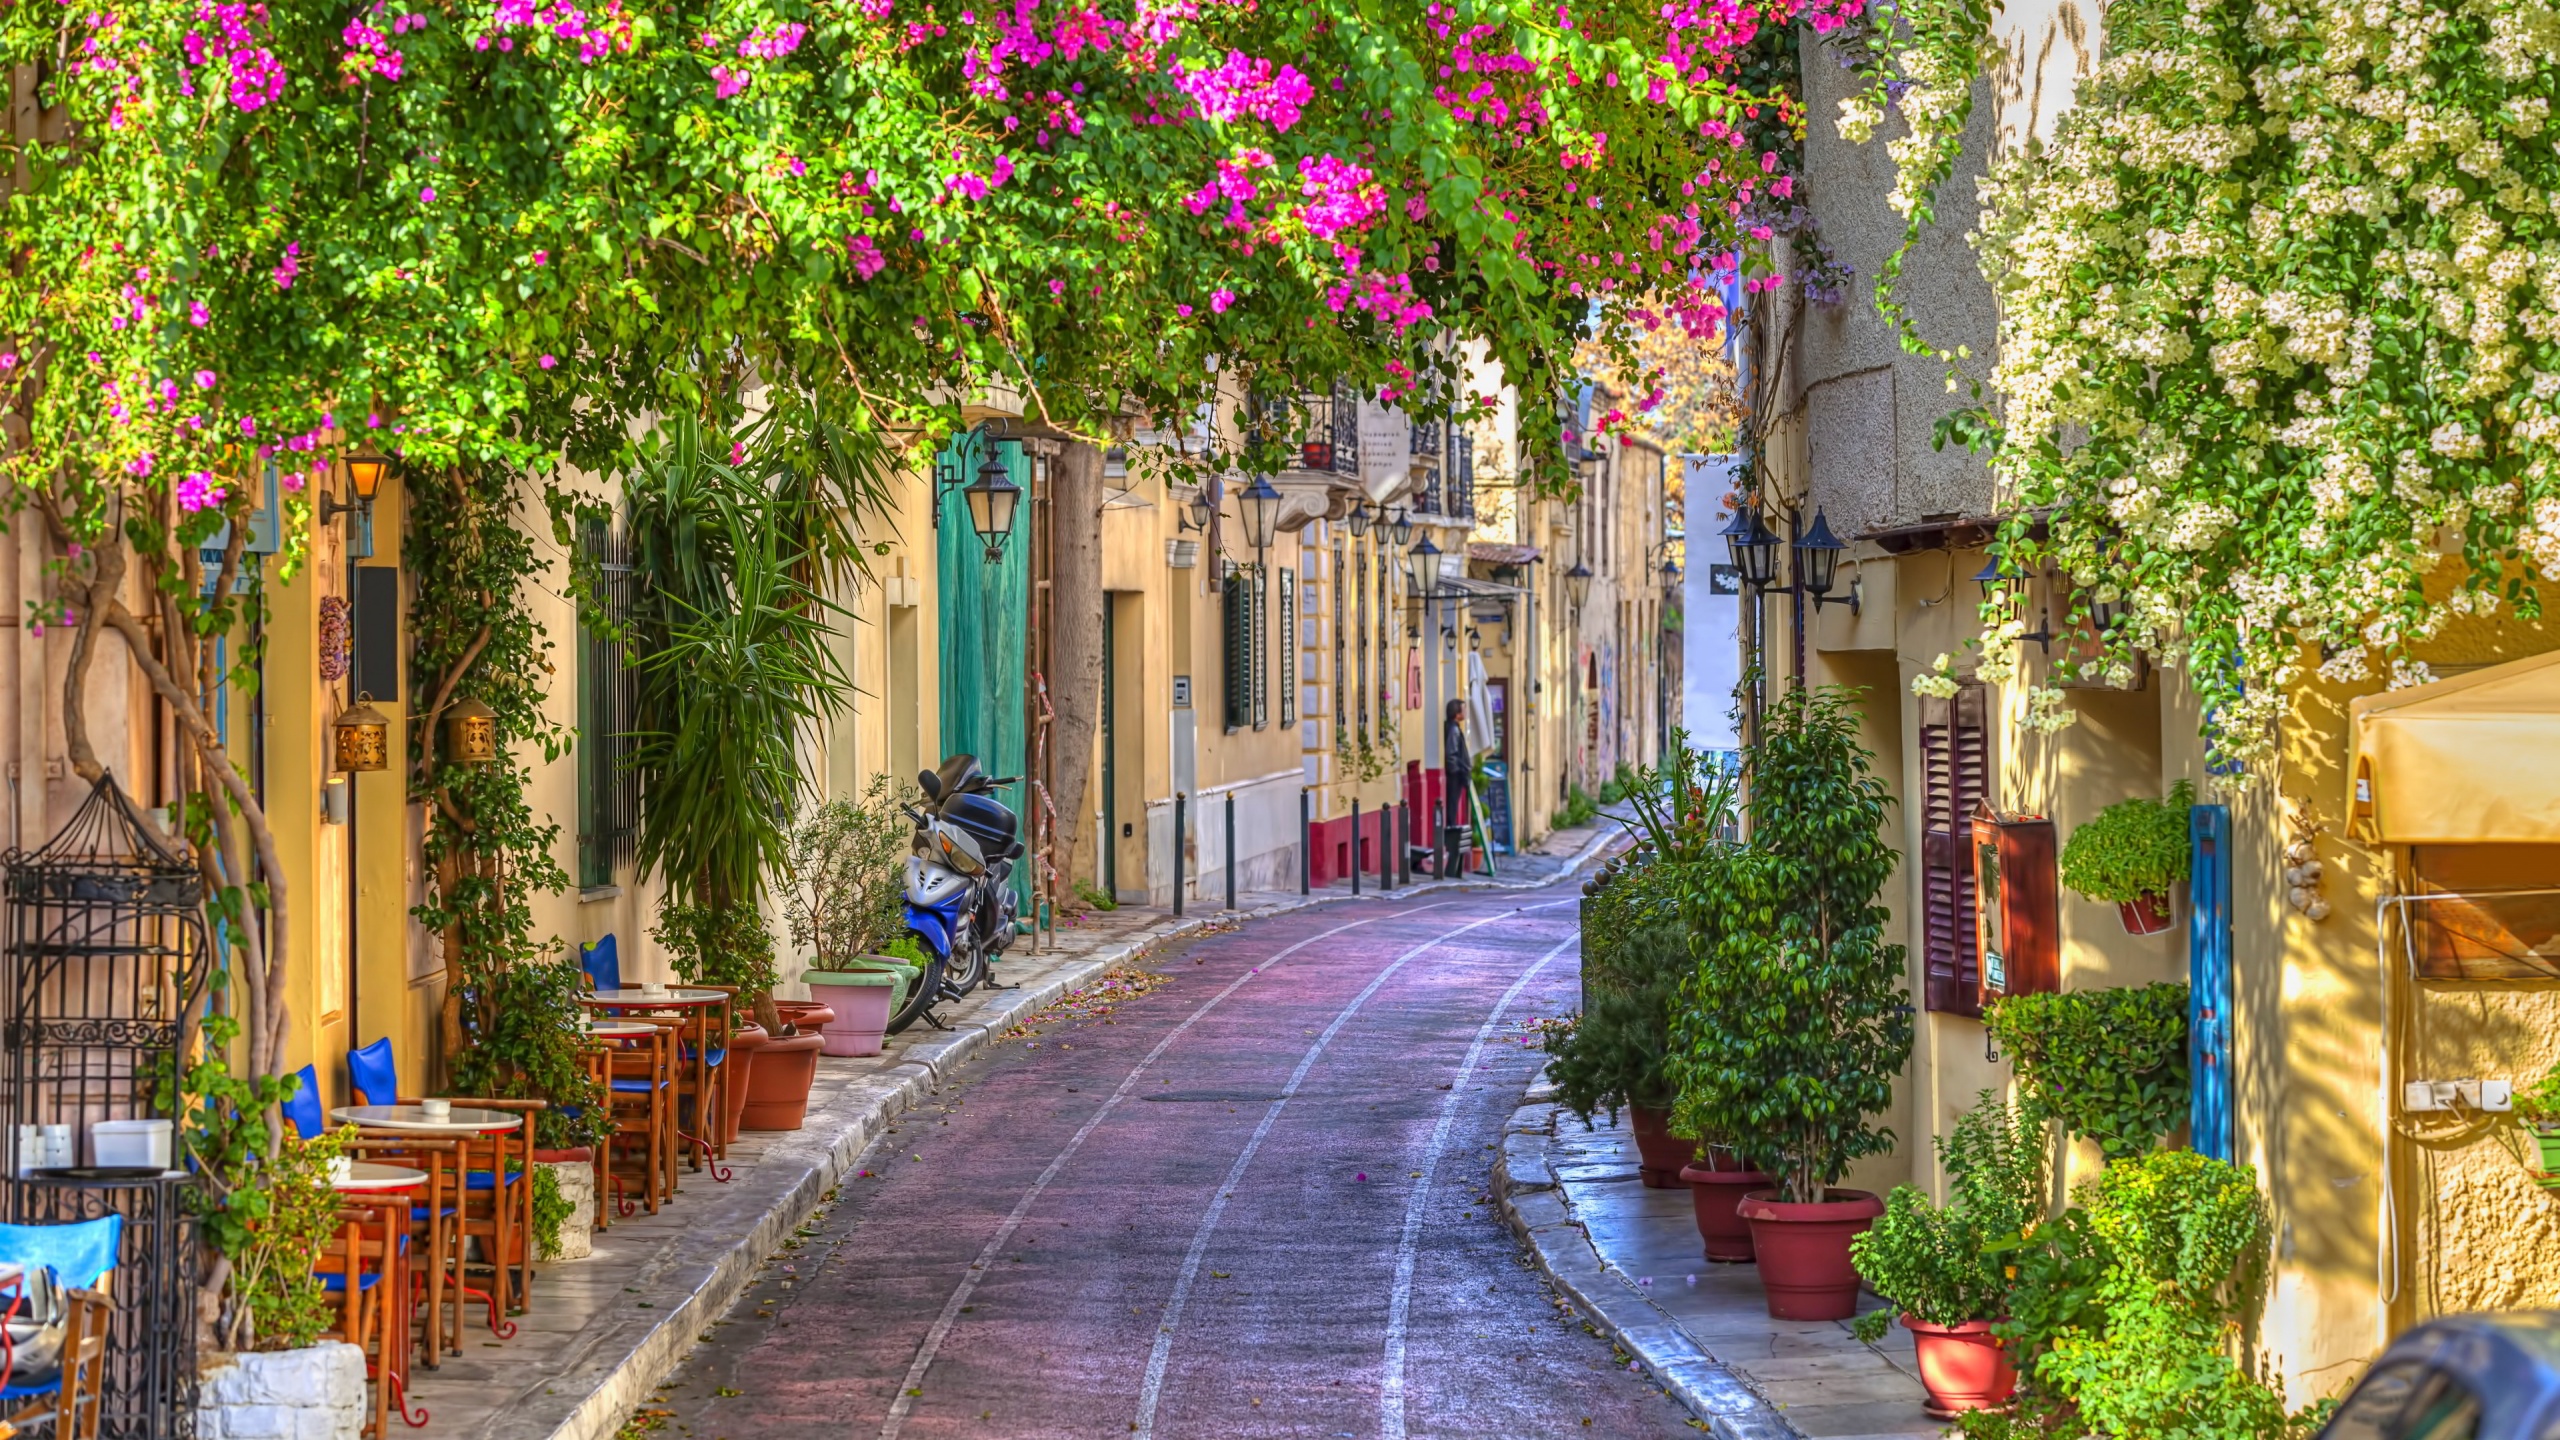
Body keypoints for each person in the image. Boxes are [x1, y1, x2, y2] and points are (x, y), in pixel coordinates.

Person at [1441, 699, 1471, 876]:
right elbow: (1451, 753)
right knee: (1452, 810)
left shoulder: (1455, 728)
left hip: (1457, 775)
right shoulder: (1453, 730)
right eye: (1463, 710)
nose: (1465, 713)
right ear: (1457, 713)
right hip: (1455, 777)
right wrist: (1457, 771)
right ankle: (1450, 850)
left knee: (1453, 809)